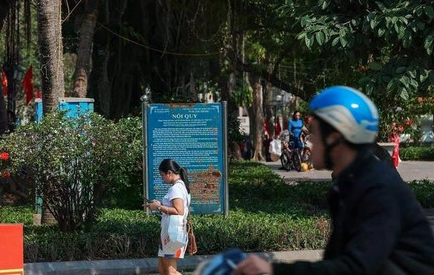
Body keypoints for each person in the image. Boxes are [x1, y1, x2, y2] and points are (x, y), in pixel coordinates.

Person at [235, 86, 434, 274]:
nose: (310, 140)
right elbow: (336, 261)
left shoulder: (378, 189)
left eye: (315, 133)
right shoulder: (349, 184)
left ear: (334, 138)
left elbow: (355, 268)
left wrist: (273, 270)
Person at [146, 159, 191, 275]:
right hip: (171, 233)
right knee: (163, 270)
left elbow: (178, 210)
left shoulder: (175, 189)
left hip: (173, 235)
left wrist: (159, 207)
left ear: (169, 173)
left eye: (162, 175)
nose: (162, 178)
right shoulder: (181, 186)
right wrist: (159, 205)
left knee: (170, 271)